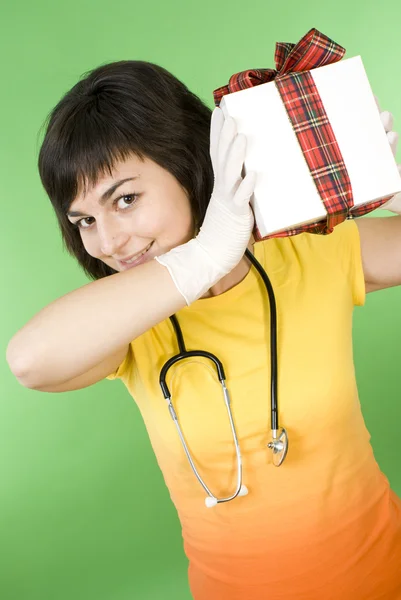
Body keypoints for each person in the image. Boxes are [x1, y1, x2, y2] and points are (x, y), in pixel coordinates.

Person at [6, 60, 401, 599]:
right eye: (85, 221)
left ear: (191, 161)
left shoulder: (310, 254)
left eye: (126, 199)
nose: (108, 242)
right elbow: (29, 360)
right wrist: (206, 256)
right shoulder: (131, 322)